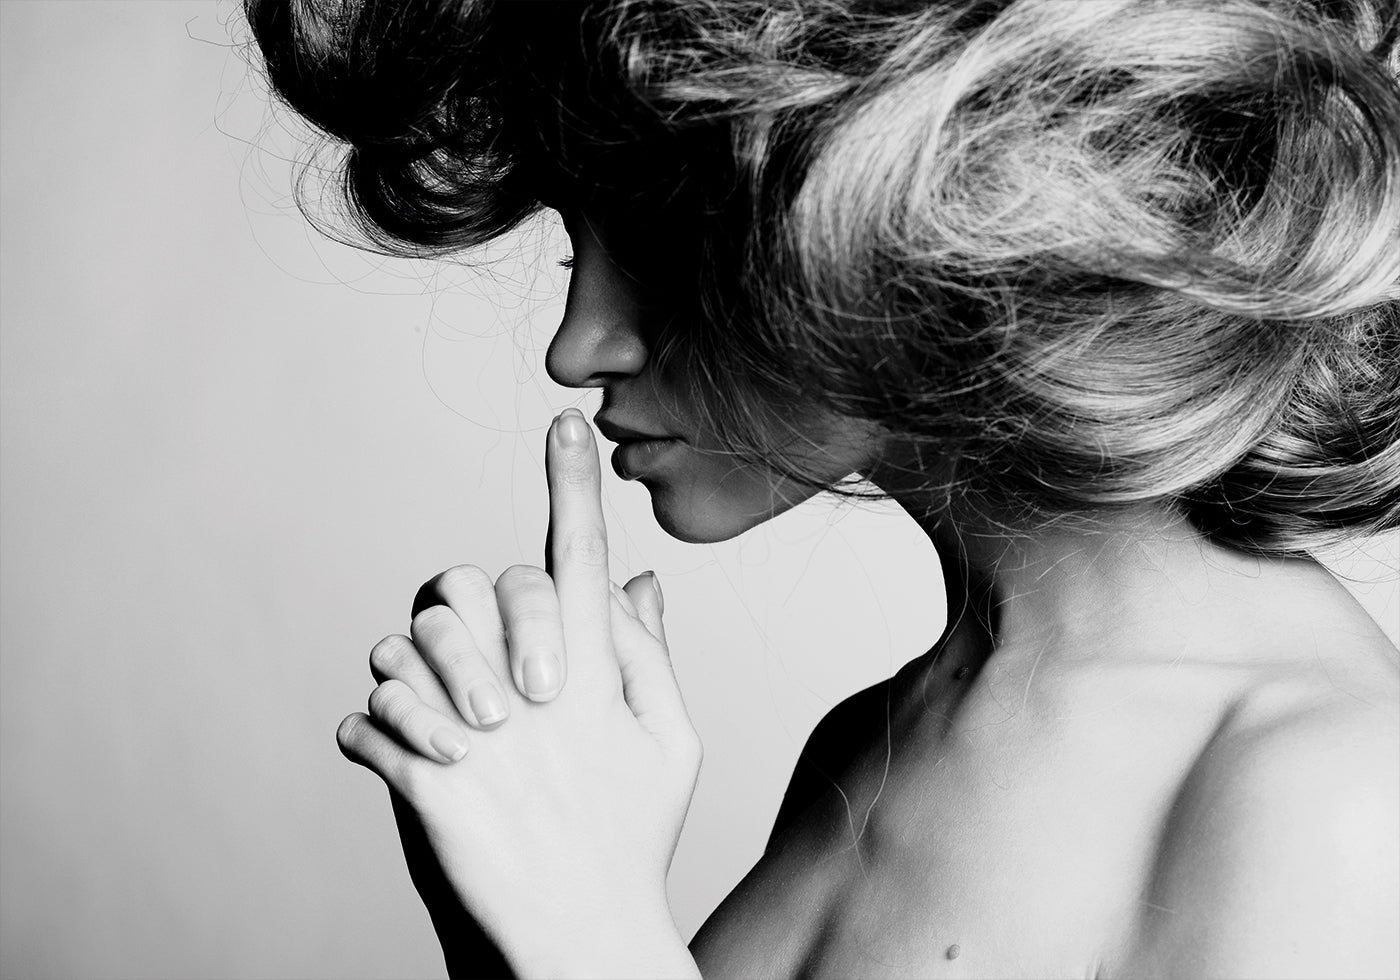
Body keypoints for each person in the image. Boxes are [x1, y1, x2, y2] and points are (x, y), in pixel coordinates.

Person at [244, 0, 1400, 976]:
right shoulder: (866, 741)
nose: (576, 345)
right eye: (572, 251)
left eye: (658, 253)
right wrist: (507, 905)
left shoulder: (1335, 793)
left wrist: (585, 934)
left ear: (911, 214)